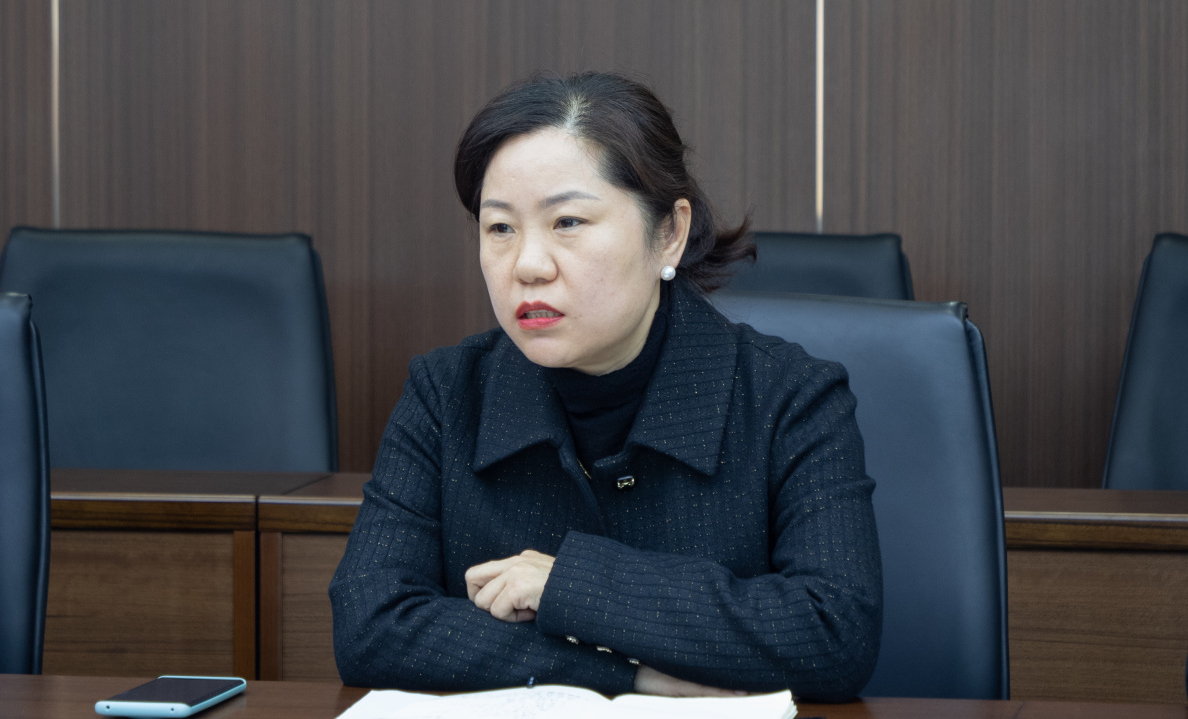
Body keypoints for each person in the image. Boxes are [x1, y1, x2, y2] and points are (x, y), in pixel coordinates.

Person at [330, 71, 882, 701]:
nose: (528, 265)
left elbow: (834, 633)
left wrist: (570, 585)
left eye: (567, 221)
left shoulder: (790, 398)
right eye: (500, 228)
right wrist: (622, 674)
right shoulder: (445, 393)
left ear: (669, 233)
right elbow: (371, 627)